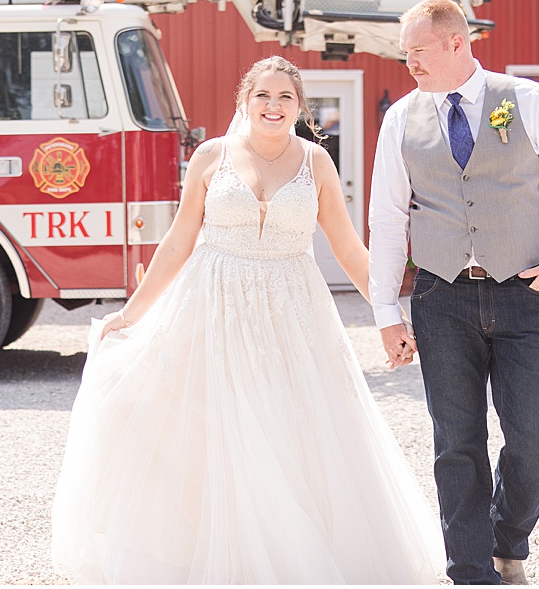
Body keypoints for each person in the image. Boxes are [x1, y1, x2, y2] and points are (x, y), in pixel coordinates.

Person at [51, 56, 444, 584]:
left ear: (299, 106)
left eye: (285, 97)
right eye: (263, 95)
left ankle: (293, 558)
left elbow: (349, 249)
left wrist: (390, 316)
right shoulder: (211, 157)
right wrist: (132, 312)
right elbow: (178, 242)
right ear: (245, 101)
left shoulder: (316, 163)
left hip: (293, 310)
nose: (274, 106)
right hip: (214, 302)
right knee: (198, 424)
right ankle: (207, 554)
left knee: (294, 429)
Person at [369, 0, 539, 586]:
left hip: (525, 293)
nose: (409, 61)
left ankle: (507, 539)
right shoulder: (401, 119)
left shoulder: (525, 99)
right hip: (442, 299)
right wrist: (386, 312)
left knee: (536, 439)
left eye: (417, 50)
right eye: (406, 52)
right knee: (456, 444)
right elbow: (388, 219)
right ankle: (470, 572)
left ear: (455, 43)